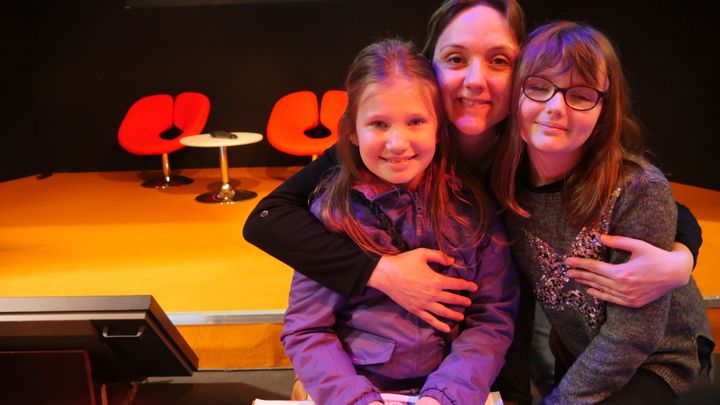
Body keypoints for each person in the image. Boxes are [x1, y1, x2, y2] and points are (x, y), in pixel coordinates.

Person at [244, 0, 702, 401]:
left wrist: (681, 258)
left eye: (499, 60)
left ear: (523, 73)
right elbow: (268, 218)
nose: (476, 79)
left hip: (546, 321)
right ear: (430, 66)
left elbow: (644, 197)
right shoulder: (384, 144)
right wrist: (380, 273)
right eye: (456, 58)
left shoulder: (537, 142)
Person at [281, 38, 518, 405]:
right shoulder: (334, 214)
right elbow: (307, 329)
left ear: (438, 128)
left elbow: (491, 320)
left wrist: (445, 396)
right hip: (355, 391)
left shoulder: (472, 210)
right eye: (378, 123)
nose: (397, 142)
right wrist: (355, 399)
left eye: (415, 121)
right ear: (352, 131)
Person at [493, 21, 714, 404]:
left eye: (580, 95)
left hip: (658, 358)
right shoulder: (505, 183)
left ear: (603, 110)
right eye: (539, 87)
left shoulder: (638, 188)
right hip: (581, 353)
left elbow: (635, 335)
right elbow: (519, 306)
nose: (554, 108)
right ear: (516, 96)